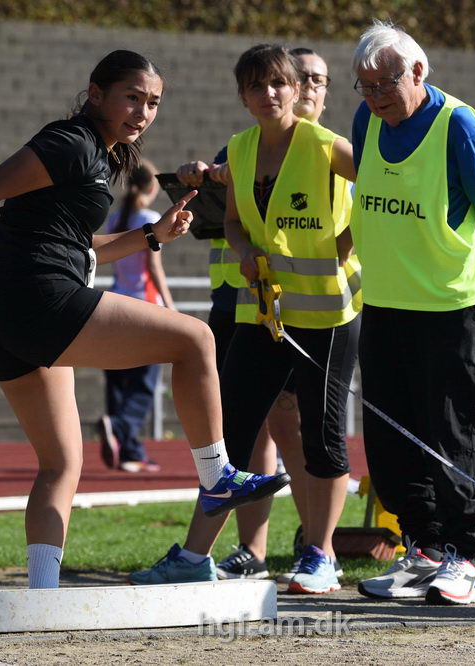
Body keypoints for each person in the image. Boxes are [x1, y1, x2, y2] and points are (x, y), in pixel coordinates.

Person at [0, 50, 290, 589]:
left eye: (153, 103)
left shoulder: (102, 158)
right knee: (196, 338)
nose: (143, 112)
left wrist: (153, 235)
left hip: (1, 317)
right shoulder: (70, 142)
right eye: (133, 97)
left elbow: (78, 249)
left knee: (60, 462)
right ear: (97, 93)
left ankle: (42, 590)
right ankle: (217, 475)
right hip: (37, 300)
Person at [132, 44, 359, 595]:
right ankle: (193, 556)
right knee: (227, 436)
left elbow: (378, 193)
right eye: (257, 87)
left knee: (323, 438)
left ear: (298, 88)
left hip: (328, 315)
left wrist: (345, 245)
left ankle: (320, 554)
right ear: (243, 96)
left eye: (279, 83)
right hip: (266, 311)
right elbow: (233, 223)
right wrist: (245, 252)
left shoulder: (327, 146)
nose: (270, 94)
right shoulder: (242, 149)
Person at [348, 21, 475, 605]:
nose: (375, 96)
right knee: (391, 435)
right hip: (385, 302)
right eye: (364, 86)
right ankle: (419, 548)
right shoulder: (366, 121)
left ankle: (464, 555)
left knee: (452, 431)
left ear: (419, 72)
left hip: (448, 307)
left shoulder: (459, 126)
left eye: (386, 82)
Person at [97, 159, 173, 473]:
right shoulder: (150, 218)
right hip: (145, 306)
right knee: (144, 381)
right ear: (152, 187)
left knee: (118, 379)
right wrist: (170, 305)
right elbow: (153, 268)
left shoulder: (116, 219)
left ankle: (128, 451)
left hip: (115, 303)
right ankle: (120, 425)